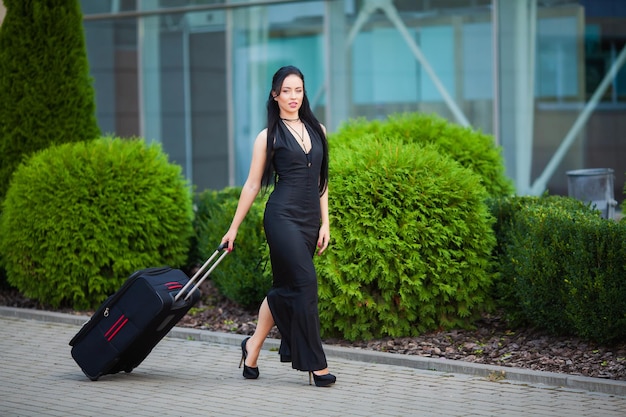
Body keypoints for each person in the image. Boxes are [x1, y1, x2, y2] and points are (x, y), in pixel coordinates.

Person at [221, 65, 336, 387]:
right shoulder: (268, 136)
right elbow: (252, 185)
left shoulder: (319, 130)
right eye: (286, 91)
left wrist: (326, 223)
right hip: (281, 217)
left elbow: (322, 182)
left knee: (286, 288)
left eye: (298, 90)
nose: (293, 97)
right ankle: (316, 365)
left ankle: (252, 346)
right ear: (275, 95)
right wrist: (233, 228)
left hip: (309, 220)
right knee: (305, 284)